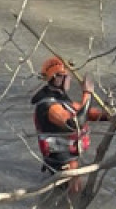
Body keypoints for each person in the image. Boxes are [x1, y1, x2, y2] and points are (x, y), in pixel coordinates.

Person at [33, 55, 108, 194]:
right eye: (67, 77)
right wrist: (87, 93)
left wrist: (109, 115)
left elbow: (82, 111)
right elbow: (74, 123)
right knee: (73, 198)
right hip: (63, 165)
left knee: (73, 195)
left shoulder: (59, 99)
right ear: (57, 78)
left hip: (69, 161)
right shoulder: (49, 106)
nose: (70, 79)